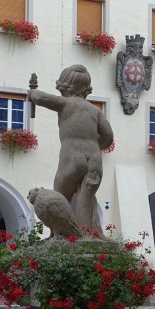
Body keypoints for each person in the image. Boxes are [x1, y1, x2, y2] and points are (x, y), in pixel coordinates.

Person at [28, 64, 113, 235]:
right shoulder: (95, 111)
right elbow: (108, 137)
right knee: (85, 199)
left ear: (64, 85)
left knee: (60, 197)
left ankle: (57, 234)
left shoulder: (66, 103)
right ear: (86, 89)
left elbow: (41, 98)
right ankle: (86, 235)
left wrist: (32, 93)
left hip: (72, 155)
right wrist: (95, 147)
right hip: (94, 158)